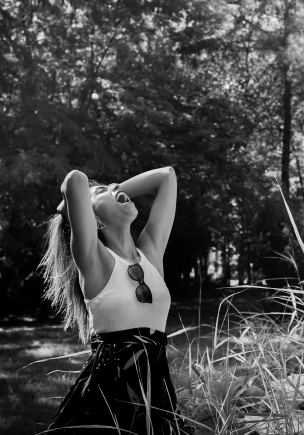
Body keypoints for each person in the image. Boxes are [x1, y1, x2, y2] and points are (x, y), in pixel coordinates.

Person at [39, 167, 194, 434]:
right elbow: (75, 179)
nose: (113, 186)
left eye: (114, 186)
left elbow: (166, 176)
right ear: (94, 220)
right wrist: (71, 207)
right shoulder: (93, 260)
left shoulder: (151, 253)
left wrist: (113, 191)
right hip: (108, 395)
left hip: (155, 393)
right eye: (102, 190)